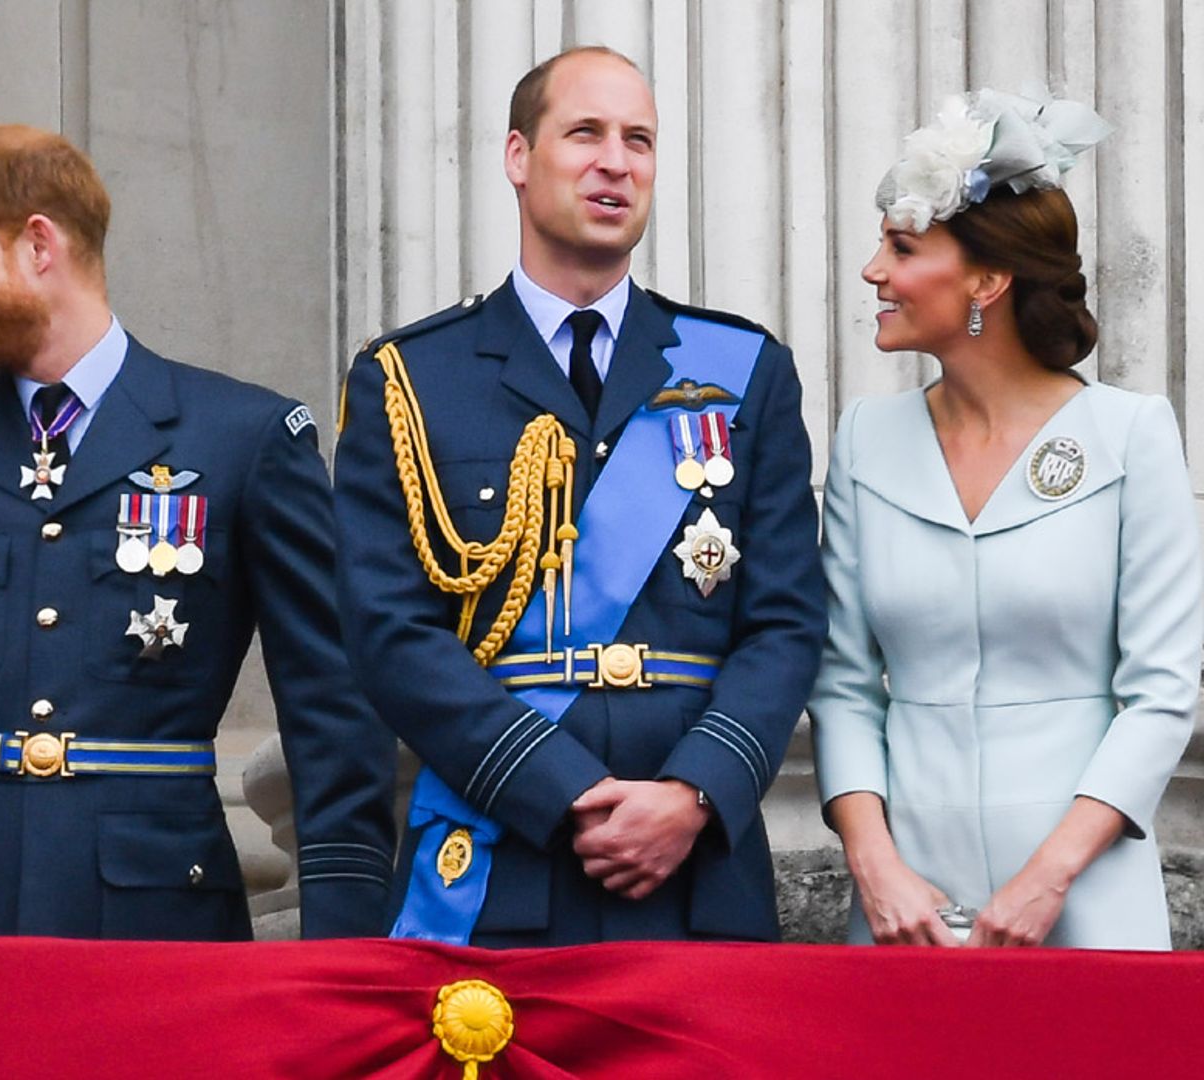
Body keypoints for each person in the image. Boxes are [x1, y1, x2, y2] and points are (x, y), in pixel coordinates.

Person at [332, 46, 827, 947]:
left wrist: (693, 791)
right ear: (519, 157)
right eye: (586, 133)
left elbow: (787, 621)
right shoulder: (411, 378)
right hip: (503, 851)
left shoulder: (743, 371)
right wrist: (556, 786)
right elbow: (387, 630)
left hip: (696, 869)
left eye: (638, 139)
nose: (617, 161)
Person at [0, 124, 396, 940]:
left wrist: (345, 934)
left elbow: (329, 704)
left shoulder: (243, 438)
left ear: (38, 245)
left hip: (156, 917)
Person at [810, 91, 1198, 949]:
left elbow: (1163, 692)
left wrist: (1044, 880)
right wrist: (876, 869)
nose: (874, 271)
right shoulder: (865, 441)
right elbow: (839, 681)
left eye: (902, 248)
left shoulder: (1132, 436)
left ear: (987, 280)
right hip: (901, 911)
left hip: (1084, 900)